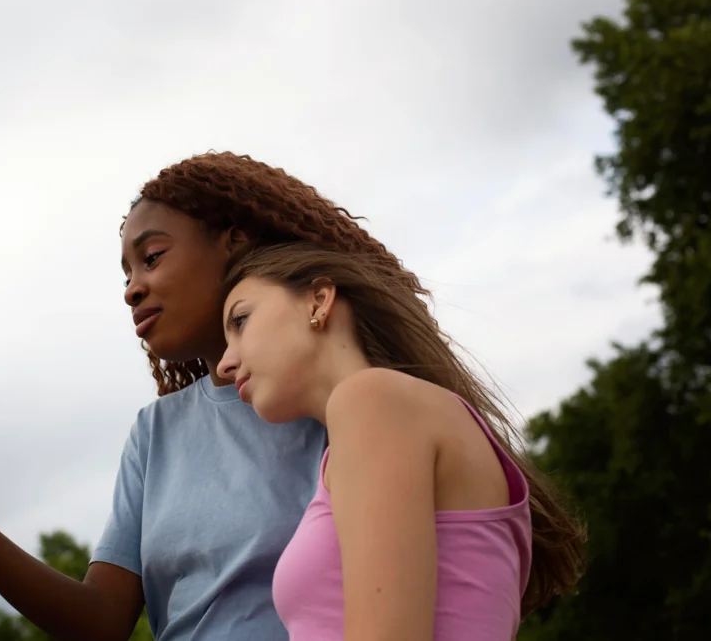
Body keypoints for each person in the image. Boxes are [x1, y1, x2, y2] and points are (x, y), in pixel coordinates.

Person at [0, 152, 426, 641]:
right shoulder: (157, 432)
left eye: (152, 257)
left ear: (235, 242)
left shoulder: (353, 404)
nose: (132, 290)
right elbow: (100, 621)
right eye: (124, 274)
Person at [215, 242, 587, 640]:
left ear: (319, 302)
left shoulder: (373, 400)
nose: (225, 363)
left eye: (240, 320)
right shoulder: (388, 414)